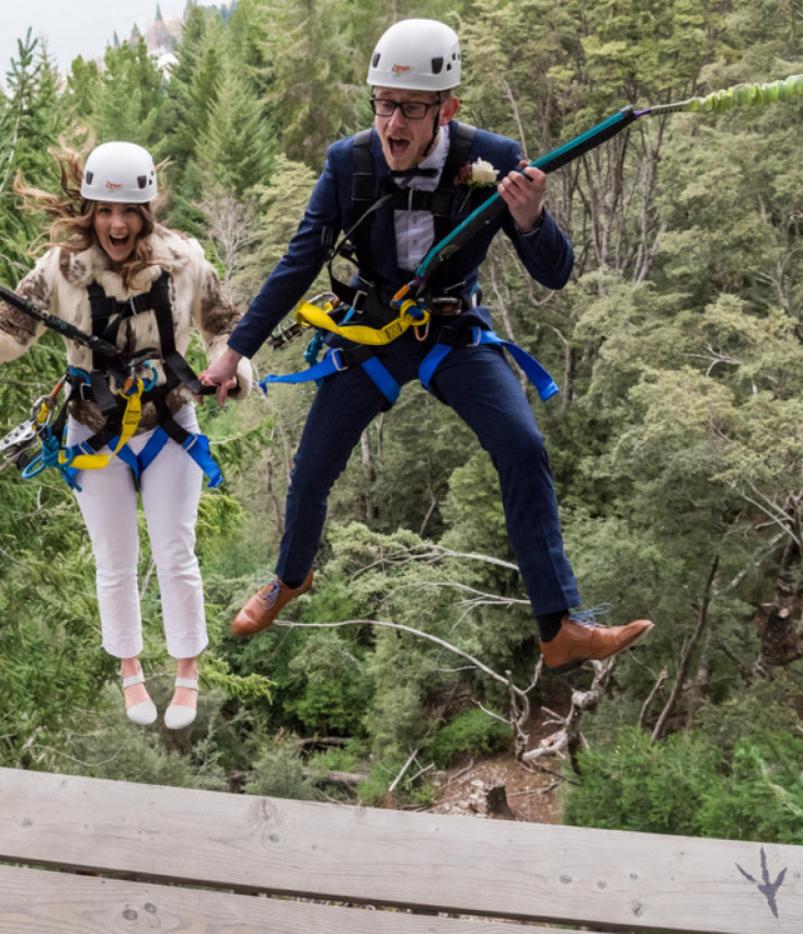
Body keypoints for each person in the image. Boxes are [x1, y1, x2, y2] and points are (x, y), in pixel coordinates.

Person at [200, 19, 653, 669]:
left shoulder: (492, 157)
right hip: (374, 335)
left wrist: (530, 218)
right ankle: (291, 577)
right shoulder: (348, 163)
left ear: (447, 110)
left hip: (449, 333)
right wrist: (233, 353)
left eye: (412, 108)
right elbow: (299, 262)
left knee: (522, 446)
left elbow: (555, 272)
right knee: (312, 466)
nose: (393, 125)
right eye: (384, 103)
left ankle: (560, 627)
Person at [0, 141, 253, 727]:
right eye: (105, 211)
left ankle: (187, 670)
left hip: (169, 421)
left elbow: (226, 328)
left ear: (147, 211)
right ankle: (130, 669)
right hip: (93, 428)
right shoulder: (61, 269)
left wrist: (230, 369)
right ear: (89, 210)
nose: (117, 224)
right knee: (114, 559)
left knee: (175, 550)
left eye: (129, 211)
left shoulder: (186, 261)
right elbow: (6, 325)